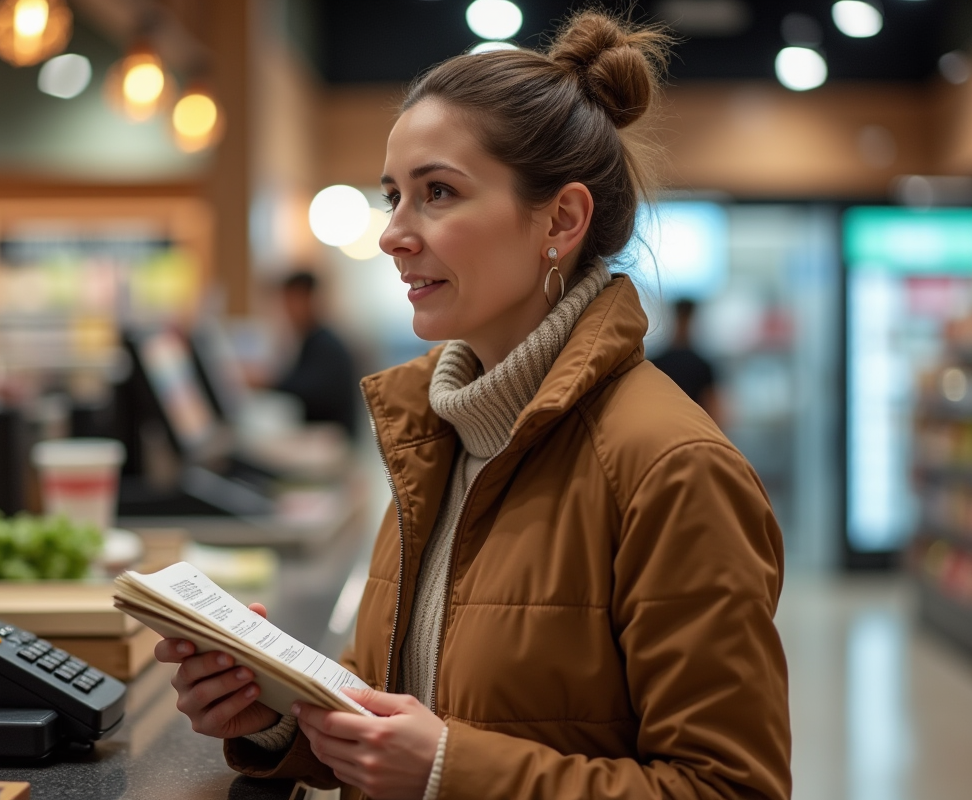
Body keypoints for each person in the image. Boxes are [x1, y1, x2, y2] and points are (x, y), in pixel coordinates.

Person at [156, 10, 790, 800]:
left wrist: (452, 772)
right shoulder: (436, 431)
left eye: (438, 193)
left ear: (561, 220)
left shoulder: (673, 470)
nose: (393, 233)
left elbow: (732, 788)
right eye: (394, 195)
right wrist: (272, 716)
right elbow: (396, 714)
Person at [272, 271, 359, 439]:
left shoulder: (325, 344)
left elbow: (307, 389)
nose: (287, 310)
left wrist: (266, 382)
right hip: (325, 433)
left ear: (309, 299)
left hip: (332, 438)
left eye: (292, 300)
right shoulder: (313, 339)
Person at [651, 298, 722, 422]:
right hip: (693, 429)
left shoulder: (657, 362)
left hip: (663, 426)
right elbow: (712, 409)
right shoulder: (701, 365)